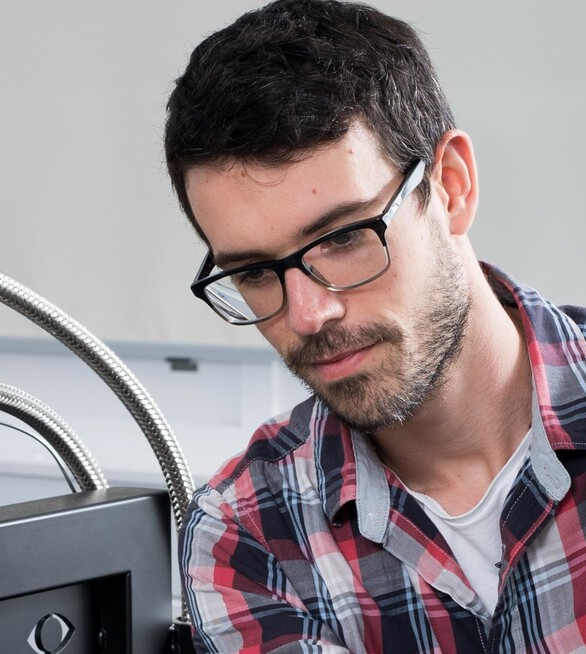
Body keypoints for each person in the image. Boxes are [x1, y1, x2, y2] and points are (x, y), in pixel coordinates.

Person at [165, 1, 586, 652]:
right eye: (254, 273)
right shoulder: (247, 533)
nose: (308, 315)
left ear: (451, 187)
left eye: (343, 238)